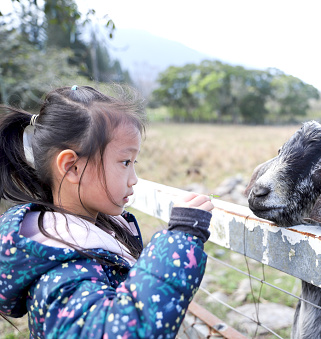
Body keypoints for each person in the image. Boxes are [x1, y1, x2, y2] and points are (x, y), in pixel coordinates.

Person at [0, 85, 214, 338]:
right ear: (72, 167)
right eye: (125, 162)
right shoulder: (62, 269)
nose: (134, 179)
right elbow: (120, 331)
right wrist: (180, 239)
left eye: (135, 163)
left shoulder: (88, 237)